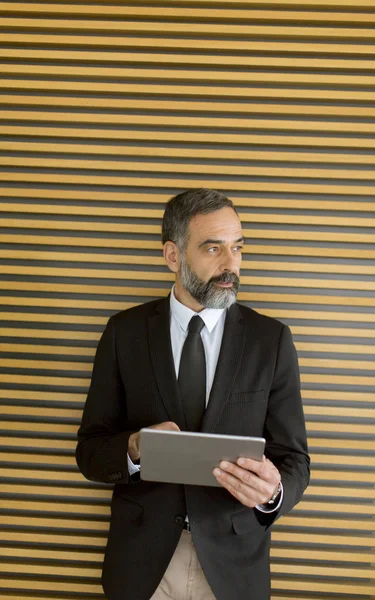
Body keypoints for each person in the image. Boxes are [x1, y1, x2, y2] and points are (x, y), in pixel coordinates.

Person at [76, 188, 310, 600]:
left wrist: (273, 492)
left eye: (237, 247)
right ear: (173, 255)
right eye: (213, 248)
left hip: (233, 567)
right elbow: (90, 452)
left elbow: (295, 461)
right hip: (141, 566)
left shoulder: (270, 340)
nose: (230, 264)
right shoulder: (123, 334)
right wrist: (133, 447)